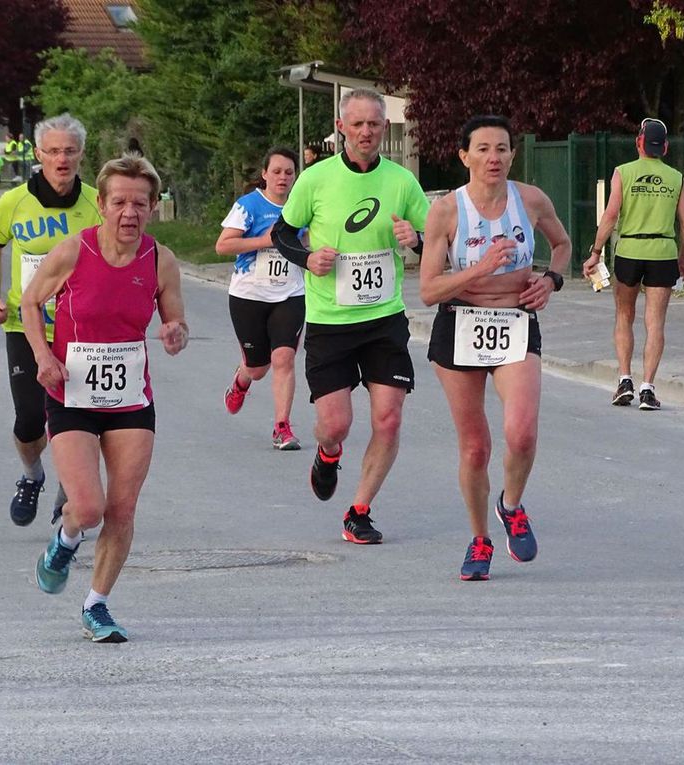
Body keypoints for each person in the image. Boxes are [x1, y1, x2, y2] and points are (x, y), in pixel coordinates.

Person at [22, 153, 189, 642]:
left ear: (153, 206)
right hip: (71, 391)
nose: (129, 213)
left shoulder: (161, 260)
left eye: (139, 203)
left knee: (122, 509)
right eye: (119, 202)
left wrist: (176, 331)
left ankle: (96, 605)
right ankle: (66, 538)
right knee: (89, 507)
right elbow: (31, 301)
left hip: (130, 398)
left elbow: (174, 319)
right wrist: (41, 355)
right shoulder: (74, 251)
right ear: (102, 204)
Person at [271, 88, 429, 545]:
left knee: (390, 419)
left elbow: (434, 239)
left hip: (384, 318)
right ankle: (328, 451)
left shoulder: (401, 180)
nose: (366, 132)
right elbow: (282, 232)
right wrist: (306, 259)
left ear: (384, 128)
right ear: (341, 128)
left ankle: (359, 510)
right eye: (357, 124)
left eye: (374, 124)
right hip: (330, 321)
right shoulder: (316, 179)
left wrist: (415, 237)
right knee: (335, 424)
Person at [419, 115, 571, 580]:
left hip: (515, 320)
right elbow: (428, 290)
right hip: (459, 322)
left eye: (502, 148)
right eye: (483, 149)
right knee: (475, 448)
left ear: (512, 155)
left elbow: (562, 244)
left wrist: (551, 279)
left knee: (521, 432)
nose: (494, 157)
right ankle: (480, 539)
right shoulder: (446, 211)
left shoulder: (530, 200)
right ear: (464, 156)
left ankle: (512, 504)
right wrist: (479, 268)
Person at [0, 113, 102, 527]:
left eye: (69, 151)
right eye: (52, 151)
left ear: (81, 154)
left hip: (81, 329)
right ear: (38, 154)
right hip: (24, 325)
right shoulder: (13, 202)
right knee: (31, 419)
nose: (61, 159)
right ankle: (32, 475)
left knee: (78, 415)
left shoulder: (96, 204)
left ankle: (73, 490)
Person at [583, 117, 684, 411]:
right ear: (666, 148)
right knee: (655, 321)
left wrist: (596, 252)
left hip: (629, 250)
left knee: (624, 315)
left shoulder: (623, 172)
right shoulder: (676, 178)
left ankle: (624, 381)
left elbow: (610, 216)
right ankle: (648, 389)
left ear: (639, 143)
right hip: (662, 251)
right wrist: (683, 258)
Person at [216, 147, 305, 450]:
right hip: (249, 295)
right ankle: (241, 381)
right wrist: (265, 241)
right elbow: (223, 246)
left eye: (289, 172)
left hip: (290, 293)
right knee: (258, 368)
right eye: (277, 171)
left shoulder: (301, 206)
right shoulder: (249, 205)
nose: (283, 177)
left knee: (284, 357)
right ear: (265, 174)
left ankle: (282, 426)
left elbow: (308, 240)